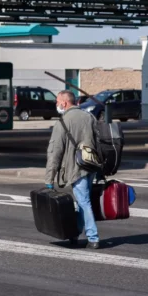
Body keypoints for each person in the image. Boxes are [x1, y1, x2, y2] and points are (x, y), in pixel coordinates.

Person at [44, 90, 101, 249]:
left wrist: (49, 179)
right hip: (91, 165)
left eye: (57, 102)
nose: (56, 105)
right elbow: (98, 143)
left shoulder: (62, 122)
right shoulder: (89, 117)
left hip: (75, 168)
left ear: (64, 102)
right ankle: (75, 233)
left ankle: (93, 237)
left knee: (83, 201)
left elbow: (55, 152)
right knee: (83, 201)